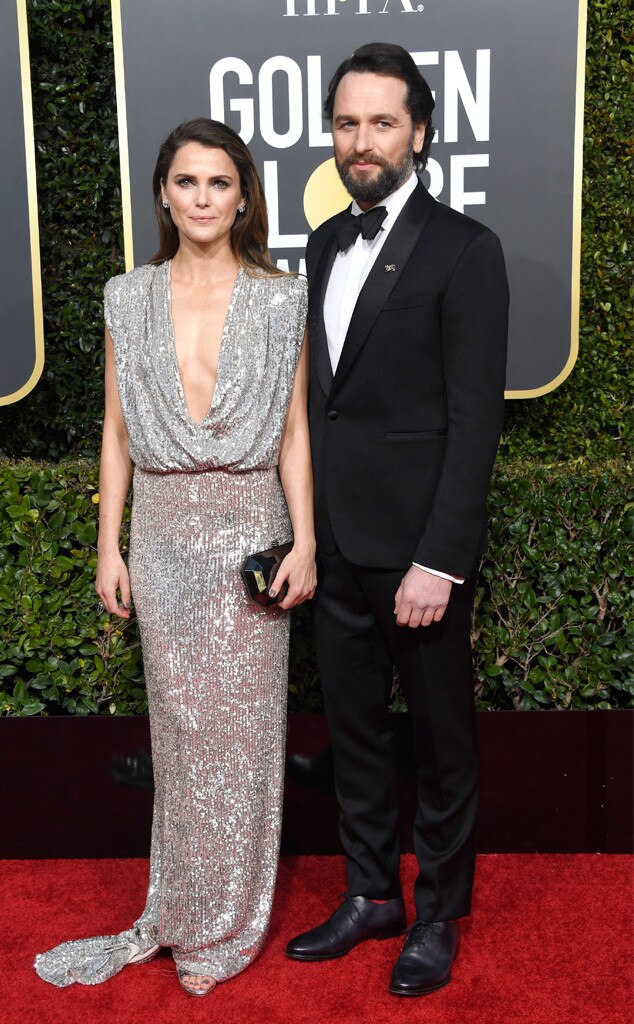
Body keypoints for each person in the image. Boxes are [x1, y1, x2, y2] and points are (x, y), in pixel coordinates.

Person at [34, 118, 316, 997]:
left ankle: (227, 925)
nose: (202, 198)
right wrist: (106, 542)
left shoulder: (282, 299)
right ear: (163, 192)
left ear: (242, 199)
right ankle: (181, 906)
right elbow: (115, 432)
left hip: (248, 532)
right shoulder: (126, 296)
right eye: (187, 182)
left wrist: (306, 541)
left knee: (245, 738)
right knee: (187, 737)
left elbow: (295, 434)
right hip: (158, 535)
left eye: (219, 183)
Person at [285, 44, 509, 997]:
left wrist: (441, 560)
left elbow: (475, 422)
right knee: (357, 733)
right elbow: (321, 403)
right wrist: (301, 531)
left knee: (443, 742)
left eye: (381, 122)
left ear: (419, 130)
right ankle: (372, 894)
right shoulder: (325, 243)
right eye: (346, 123)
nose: (361, 141)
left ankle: (438, 916)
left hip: (416, 554)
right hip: (330, 542)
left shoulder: (466, 249)